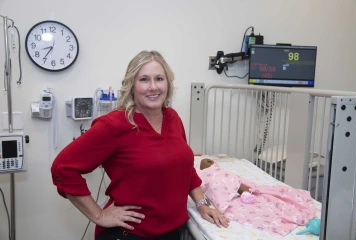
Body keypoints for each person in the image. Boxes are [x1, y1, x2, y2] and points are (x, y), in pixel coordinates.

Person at [51, 50, 228, 240]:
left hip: (172, 231)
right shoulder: (114, 125)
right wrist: (99, 215)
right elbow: (63, 168)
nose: (153, 87)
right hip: (130, 233)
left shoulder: (172, 118)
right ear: (131, 86)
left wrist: (201, 203)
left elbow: (185, 168)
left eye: (159, 78)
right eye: (144, 79)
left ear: (168, 84)